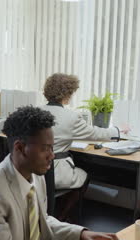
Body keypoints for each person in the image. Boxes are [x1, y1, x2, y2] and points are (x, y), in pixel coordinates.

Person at [0, 106, 121, 240]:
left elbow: (41, 220)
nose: (52, 155)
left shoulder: (35, 175)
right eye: (45, 149)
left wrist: (80, 234)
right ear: (20, 148)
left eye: (52, 147)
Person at [40, 73, 121, 221]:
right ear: (68, 94)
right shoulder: (70, 117)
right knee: (84, 175)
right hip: (53, 171)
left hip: (33, 171)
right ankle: (61, 218)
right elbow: (95, 134)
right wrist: (117, 131)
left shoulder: (34, 111)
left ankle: (51, 214)